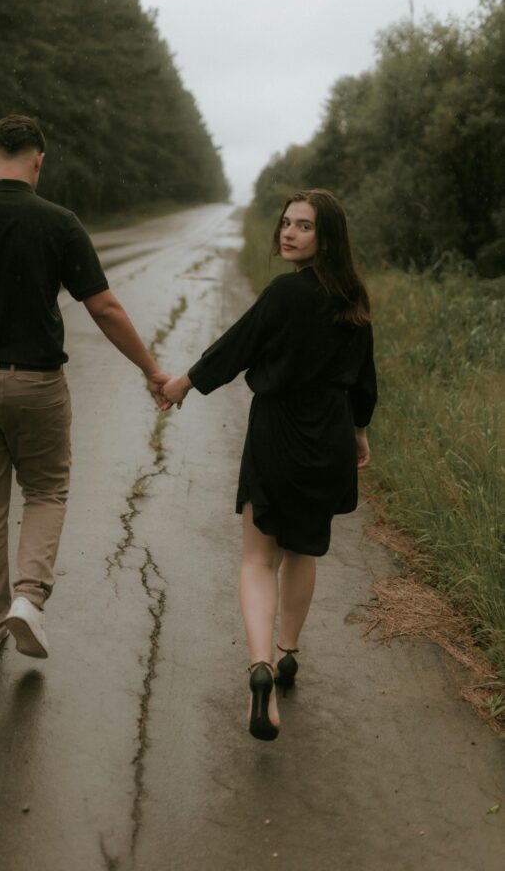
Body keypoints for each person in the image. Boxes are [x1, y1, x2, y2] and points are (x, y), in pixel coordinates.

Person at [0, 114, 169, 661]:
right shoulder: (59, 223)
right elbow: (104, 307)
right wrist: (150, 368)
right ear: (39, 160)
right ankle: (28, 598)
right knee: (46, 490)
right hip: (37, 384)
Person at [163, 189, 376, 741]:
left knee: (259, 559)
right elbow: (363, 375)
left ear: (325, 236)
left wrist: (183, 384)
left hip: (278, 432)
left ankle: (259, 667)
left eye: (303, 226)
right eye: (285, 223)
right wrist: (357, 431)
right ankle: (287, 654)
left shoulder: (284, 292)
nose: (288, 233)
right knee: (303, 549)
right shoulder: (353, 298)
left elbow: (237, 347)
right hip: (327, 434)